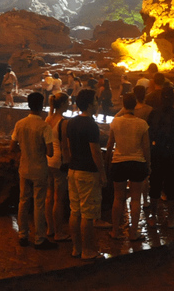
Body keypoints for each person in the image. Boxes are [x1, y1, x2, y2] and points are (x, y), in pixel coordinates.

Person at [10, 93, 58, 250]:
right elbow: (50, 152)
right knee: (38, 204)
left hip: (24, 168)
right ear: (42, 105)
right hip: (39, 169)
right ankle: (39, 238)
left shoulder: (20, 124)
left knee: (23, 201)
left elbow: (12, 146)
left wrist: (24, 149)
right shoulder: (44, 126)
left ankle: (22, 235)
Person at [67, 89, 107, 260]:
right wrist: (103, 173)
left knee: (75, 211)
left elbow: (69, 148)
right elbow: (95, 152)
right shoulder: (91, 125)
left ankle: (76, 248)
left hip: (73, 169)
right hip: (87, 172)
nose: (98, 104)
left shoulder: (71, 122)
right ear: (90, 104)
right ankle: (88, 250)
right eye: (96, 101)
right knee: (88, 214)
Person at [106, 94, 150, 241]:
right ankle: (133, 233)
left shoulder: (115, 122)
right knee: (136, 199)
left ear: (124, 105)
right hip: (137, 162)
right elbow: (146, 147)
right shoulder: (142, 124)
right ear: (135, 105)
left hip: (119, 162)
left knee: (118, 198)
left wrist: (108, 162)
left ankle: (115, 231)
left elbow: (110, 144)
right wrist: (148, 165)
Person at [147, 86, 174, 225]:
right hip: (172, 154)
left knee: (155, 184)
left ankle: (152, 217)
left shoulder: (154, 113)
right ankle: (171, 219)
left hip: (156, 153)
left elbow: (148, 133)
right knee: (171, 186)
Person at [45, 92, 71, 242]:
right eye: (67, 102)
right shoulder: (63, 122)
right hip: (58, 162)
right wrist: (67, 163)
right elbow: (65, 147)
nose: (69, 104)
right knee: (58, 199)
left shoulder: (48, 119)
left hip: (48, 161)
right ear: (62, 104)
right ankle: (59, 232)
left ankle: (50, 228)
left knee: (49, 196)